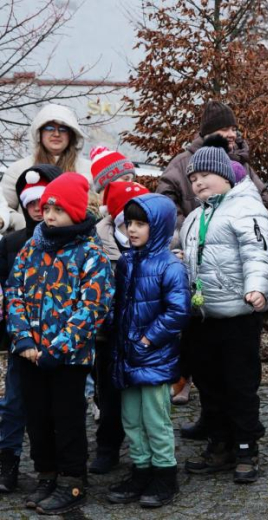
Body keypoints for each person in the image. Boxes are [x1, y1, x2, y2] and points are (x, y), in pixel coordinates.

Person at [6, 173, 113, 514]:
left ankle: (72, 479)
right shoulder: (31, 247)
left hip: (67, 358)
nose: (49, 214)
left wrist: (58, 348)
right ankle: (46, 473)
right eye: (46, 207)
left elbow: (92, 307)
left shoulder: (90, 254)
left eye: (58, 209)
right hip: (29, 353)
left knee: (66, 418)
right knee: (37, 418)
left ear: (76, 212)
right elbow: (13, 292)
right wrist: (22, 337)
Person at [180, 135, 268, 483]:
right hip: (203, 317)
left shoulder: (245, 208)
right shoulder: (195, 218)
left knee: (239, 385)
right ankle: (220, 444)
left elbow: (258, 253)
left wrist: (256, 289)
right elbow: (190, 256)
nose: (198, 182)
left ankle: (247, 447)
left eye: (205, 174)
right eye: (192, 178)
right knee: (210, 385)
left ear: (225, 175)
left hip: (237, 315)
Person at [106, 194, 190, 508]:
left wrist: (147, 341)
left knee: (155, 418)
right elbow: (120, 302)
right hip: (126, 356)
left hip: (152, 356)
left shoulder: (170, 265)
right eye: (129, 223)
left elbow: (177, 312)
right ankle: (140, 469)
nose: (132, 229)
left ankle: (164, 473)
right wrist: (113, 326)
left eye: (141, 223)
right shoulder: (127, 260)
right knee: (131, 418)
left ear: (159, 226)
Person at [0, 165, 62, 494]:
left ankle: (56, 468)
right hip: (20, 338)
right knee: (13, 403)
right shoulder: (11, 244)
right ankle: (7, 460)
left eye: (46, 201)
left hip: (60, 341)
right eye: (32, 203)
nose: (39, 209)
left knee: (56, 407)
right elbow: (6, 290)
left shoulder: (73, 241)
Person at [88, 148, 145, 475]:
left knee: (144, 397)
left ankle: (147, 451)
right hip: (108, 333)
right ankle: (108, 447)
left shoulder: (153, 238)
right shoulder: (99, 238)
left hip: (142, 334)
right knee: (108, 395)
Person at [156, 100, 268, 231]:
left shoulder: (240, 163)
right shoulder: (180, 164)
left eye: (234, 129)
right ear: (208, 133)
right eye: (225, 129)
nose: (232, 134)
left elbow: (264, 202)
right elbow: (165, 206)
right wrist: (191, 235)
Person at [1, 104, 92, 232]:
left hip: (76, 243)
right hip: (28, 243)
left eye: (63, 129)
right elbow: (3, 207)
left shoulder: (88, 169)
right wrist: (24, 223)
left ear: (72, 134)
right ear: (40, 133)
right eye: (49, 128)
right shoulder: (18, 169)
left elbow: (99, 210)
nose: (56, 134)